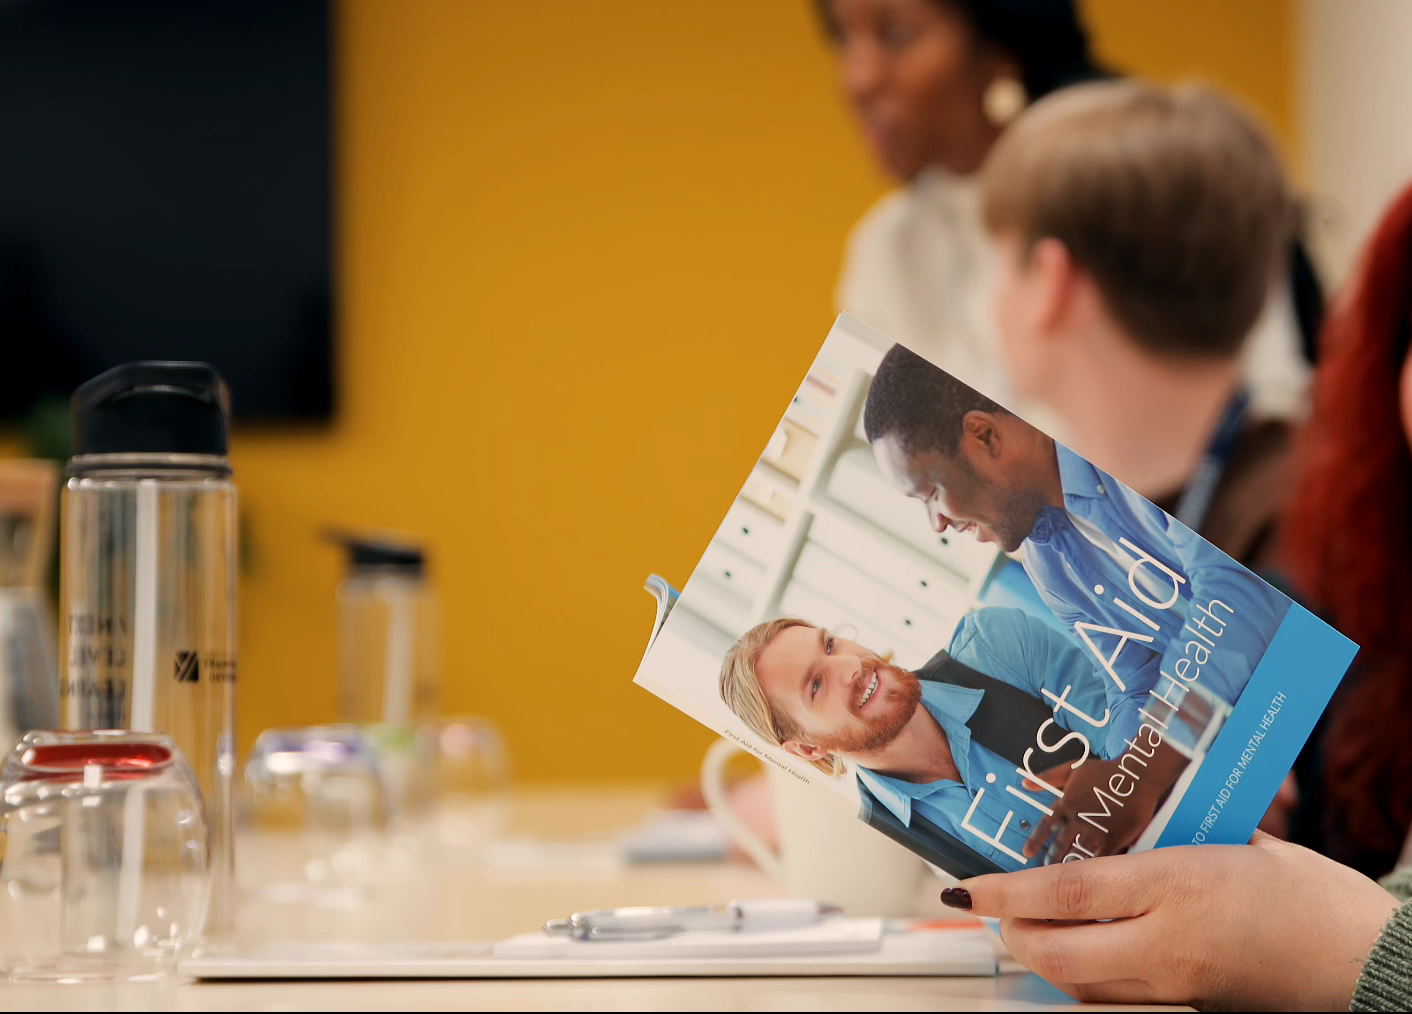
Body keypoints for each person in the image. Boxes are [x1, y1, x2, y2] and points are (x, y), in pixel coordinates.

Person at [919, 180, 1412, 1014]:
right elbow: (1143, 687)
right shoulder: (1050, 547)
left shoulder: (1278, 509)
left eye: (930, 489)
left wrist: (1344, 945)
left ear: (1053, 284)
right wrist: (1147, 776)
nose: (936, 521)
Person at [819, 0, 1316, 430]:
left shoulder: (1163, 194)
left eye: (898, 34)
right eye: (843, 37)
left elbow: (1275, 411)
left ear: (1000, 49)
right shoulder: (883, 249)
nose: (857, 79)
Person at [979, 80, 1298, 558]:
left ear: (1049, 279)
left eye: (1000, 259)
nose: (992, 295)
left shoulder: (1312, 542)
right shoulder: (1289, 495)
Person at [718, 605, 1178, 874]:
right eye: (816, 686)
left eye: (831, 645)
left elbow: (1159, 717)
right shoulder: (890, 828)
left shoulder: (996, 644)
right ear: (808, 749)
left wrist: (1129, 773)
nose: (851, 666)